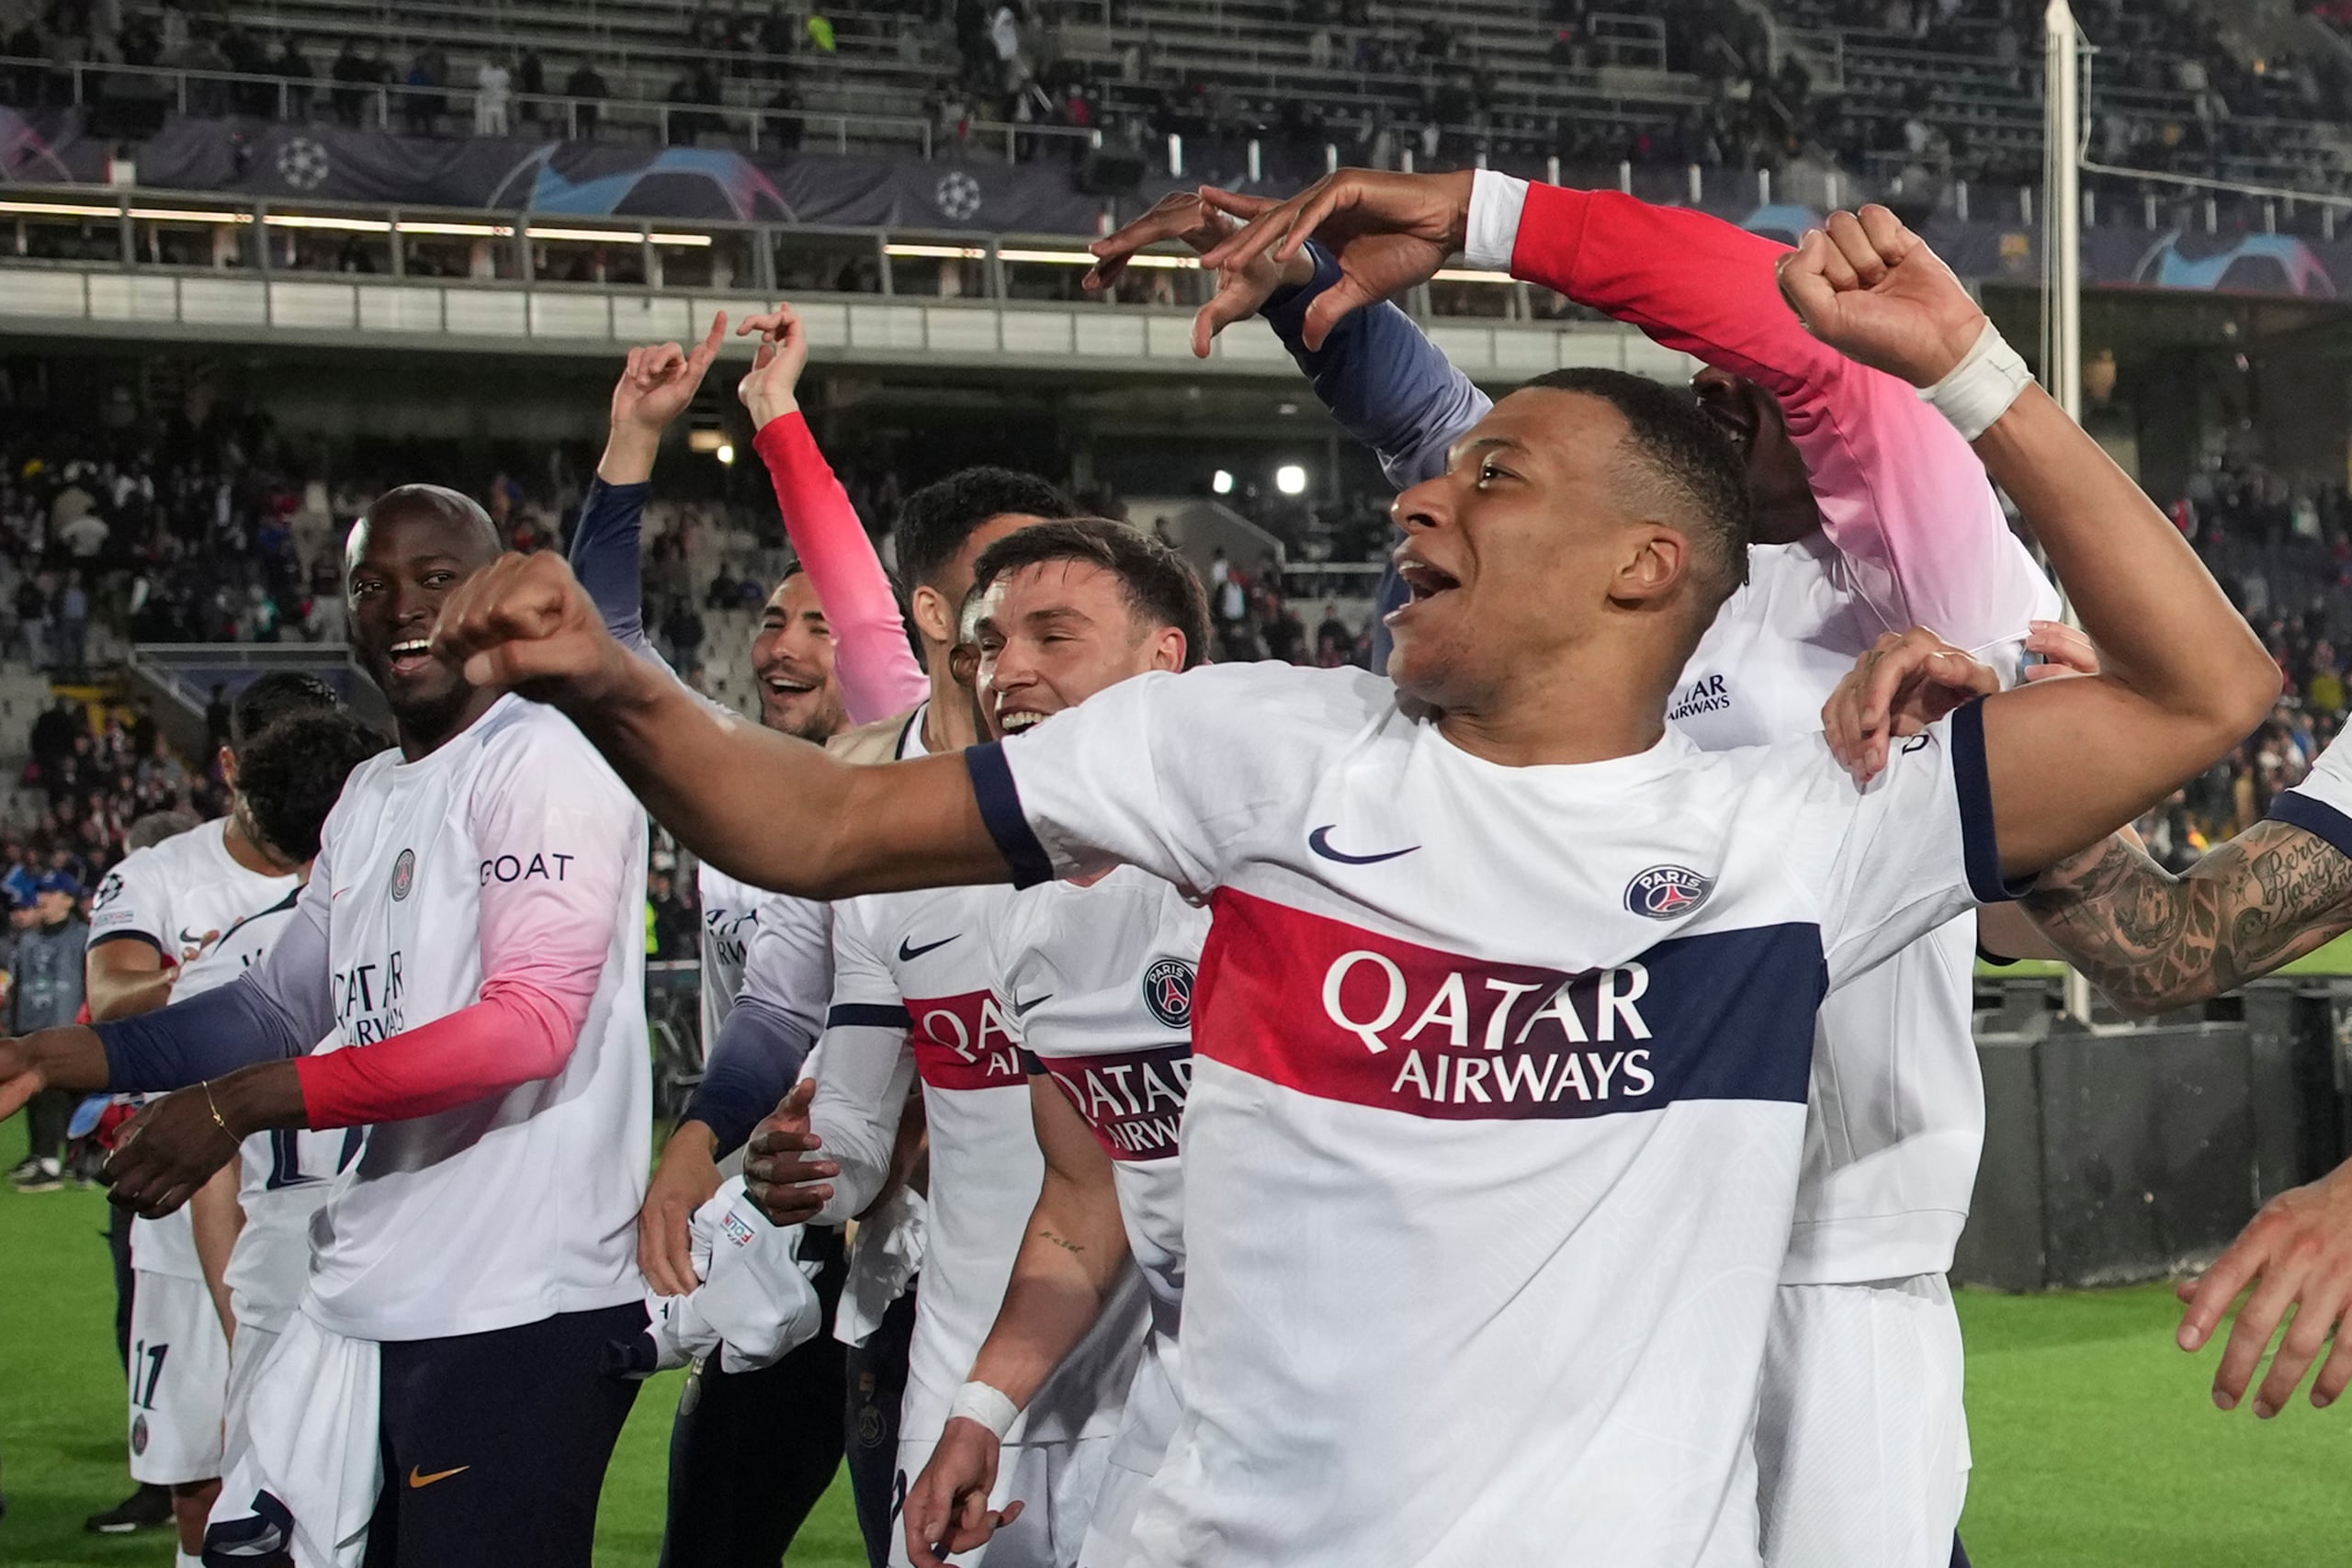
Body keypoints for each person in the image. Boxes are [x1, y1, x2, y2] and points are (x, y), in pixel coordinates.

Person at [430, 205, 2274, 1565]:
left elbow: (2206, 690)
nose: (1414, 500)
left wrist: (1972, 374)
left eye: (1491, 476)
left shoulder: (1792, 834)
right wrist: (609, 679)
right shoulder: (1253, 750)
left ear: (1645, 564)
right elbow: (815, 832)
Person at [1097, 168, 2061, 1564]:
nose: (1712, 383)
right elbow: (1448, 444)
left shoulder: (1925, 581)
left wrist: (1490, 217)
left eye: (1743, 372)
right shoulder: (1641, 596)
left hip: (1828, 1265)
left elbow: (1815, 354)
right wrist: (1304, 286)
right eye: (1698, 371)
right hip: (1567, 1248)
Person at [0, 484, 650, 1568]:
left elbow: (528, 1028)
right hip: (373, 1288)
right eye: (371, 584)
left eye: (436, 578)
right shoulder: (372, 792)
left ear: (492, 593)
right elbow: (277, 1005)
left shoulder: (543, 755)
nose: (405, 606)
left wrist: (244, 1103)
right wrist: (63, 1055)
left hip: (516, 1297)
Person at [91, 692, 382, 1568]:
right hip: (206, 1227)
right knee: (214, 1482)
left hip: (284, 1241)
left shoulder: (269, 939)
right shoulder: (164, 873)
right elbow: (108, 999)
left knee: (279, 1498)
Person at [8, 869, 87, 1191]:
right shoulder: (28, 940)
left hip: (69, 1028)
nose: (42, 899)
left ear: (68, 900)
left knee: (67, 1096)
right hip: (32, 1028)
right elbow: (18, 986)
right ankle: (43, 1156)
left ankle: (63, 1163)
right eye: (41, 892)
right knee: (35, 1095)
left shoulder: (83, 937)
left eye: (51, 893)